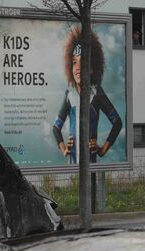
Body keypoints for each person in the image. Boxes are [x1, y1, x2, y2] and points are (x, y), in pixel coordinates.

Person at [52, 27, 122, 164]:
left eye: (83, 62)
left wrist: (102, 150)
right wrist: (64, 149)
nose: (78, 67)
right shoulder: (69, 95)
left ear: (91, 68)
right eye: (74, 62)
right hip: (72, 166)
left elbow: (117, 123)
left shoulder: (97, 93)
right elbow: (56, 128)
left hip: (91, 166)